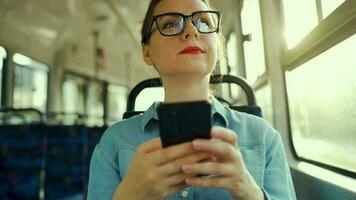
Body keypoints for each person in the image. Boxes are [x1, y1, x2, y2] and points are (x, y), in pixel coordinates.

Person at [87, 0, 297, 199]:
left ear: (217, 45)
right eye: (170, 24)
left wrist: (249, 192)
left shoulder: (264, 137)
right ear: (147, 51)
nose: (191, 31)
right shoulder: (113, 143)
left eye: (203, 22)